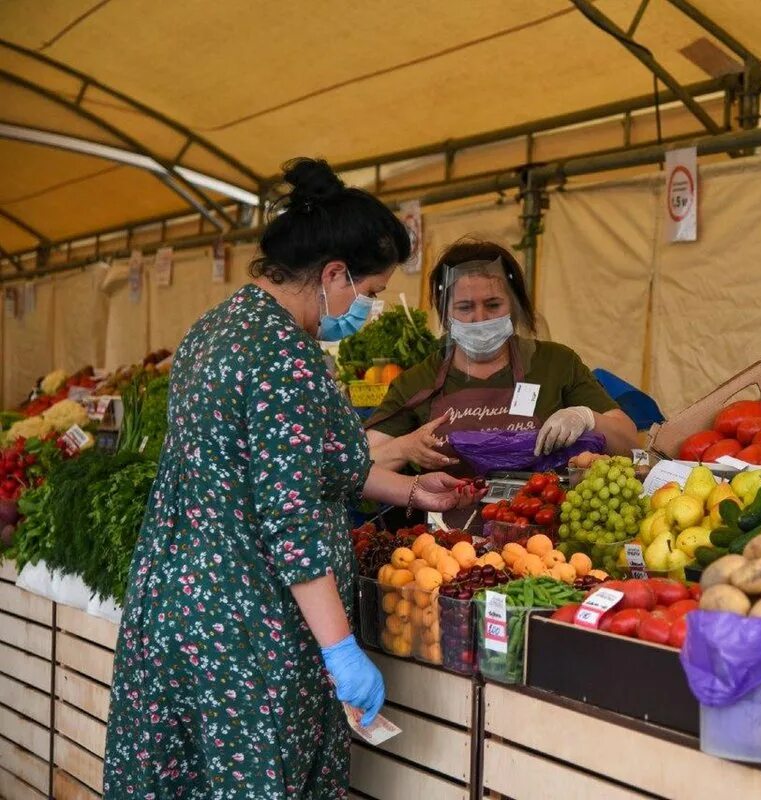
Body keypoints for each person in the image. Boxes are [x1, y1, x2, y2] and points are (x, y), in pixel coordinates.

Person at [103, 158, 477, 799]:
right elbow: (292, 519)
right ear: (334, 274)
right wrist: (339, 650)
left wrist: (410, 490)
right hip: (251, 629)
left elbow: (295, 466)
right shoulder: (286, 359)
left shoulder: (213, 331)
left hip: (177, 608)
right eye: (373, 290)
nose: (372, 306)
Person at [364, 239, 638, 475]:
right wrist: (404, 447)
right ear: (445, 314)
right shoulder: (418, 381)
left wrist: (586, 417)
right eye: (465, 307)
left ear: (515, 306)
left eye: (493, 304)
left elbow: (630, 442)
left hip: (540, 525)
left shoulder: (556, 363)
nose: (480, 318)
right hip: (446, 532)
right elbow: (360, 461)